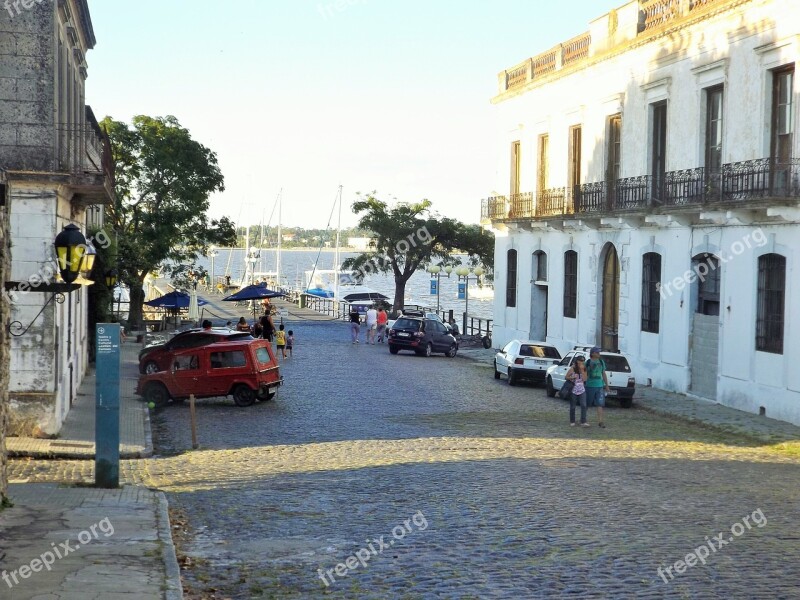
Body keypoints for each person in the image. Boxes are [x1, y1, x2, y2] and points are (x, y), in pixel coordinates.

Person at [585, 347, 610, 428]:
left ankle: (600, 421)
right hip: (590, 386)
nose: (599, 354)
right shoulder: (588, 362)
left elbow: (603, 374)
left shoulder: (601, 362)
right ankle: (584, 419)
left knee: (600, 404)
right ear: (592, 354)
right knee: (587, 404)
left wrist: (606, 385)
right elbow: (584, 373)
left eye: (599, 352)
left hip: (599, 386)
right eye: (597, 352)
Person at [566, 355, 589, 427]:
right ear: (577, 361)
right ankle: (572, 421)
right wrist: (572, 377)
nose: (581, 362)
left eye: (583, 361)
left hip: (582, 388)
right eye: (580, 361)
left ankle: (583, 421)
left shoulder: (584, 369)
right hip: (574, 388)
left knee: (583, 405)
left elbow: (585, 379)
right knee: (573, 406)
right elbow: (566, 376)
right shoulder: (573, 368)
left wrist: (582, 371)